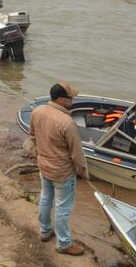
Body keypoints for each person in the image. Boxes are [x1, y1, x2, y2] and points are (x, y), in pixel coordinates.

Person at [29, 82, 89, 256]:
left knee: (45, 198)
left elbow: (33, 136)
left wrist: (41, 154)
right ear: (62, 100)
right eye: (71, 98)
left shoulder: (37, 111)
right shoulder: (67, 122)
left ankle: (45, 231)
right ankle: (63, 244)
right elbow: (77, 154)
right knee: (63, 207)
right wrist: (83, 172)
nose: (73, 101)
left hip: (44, 166)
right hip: (62, 172)